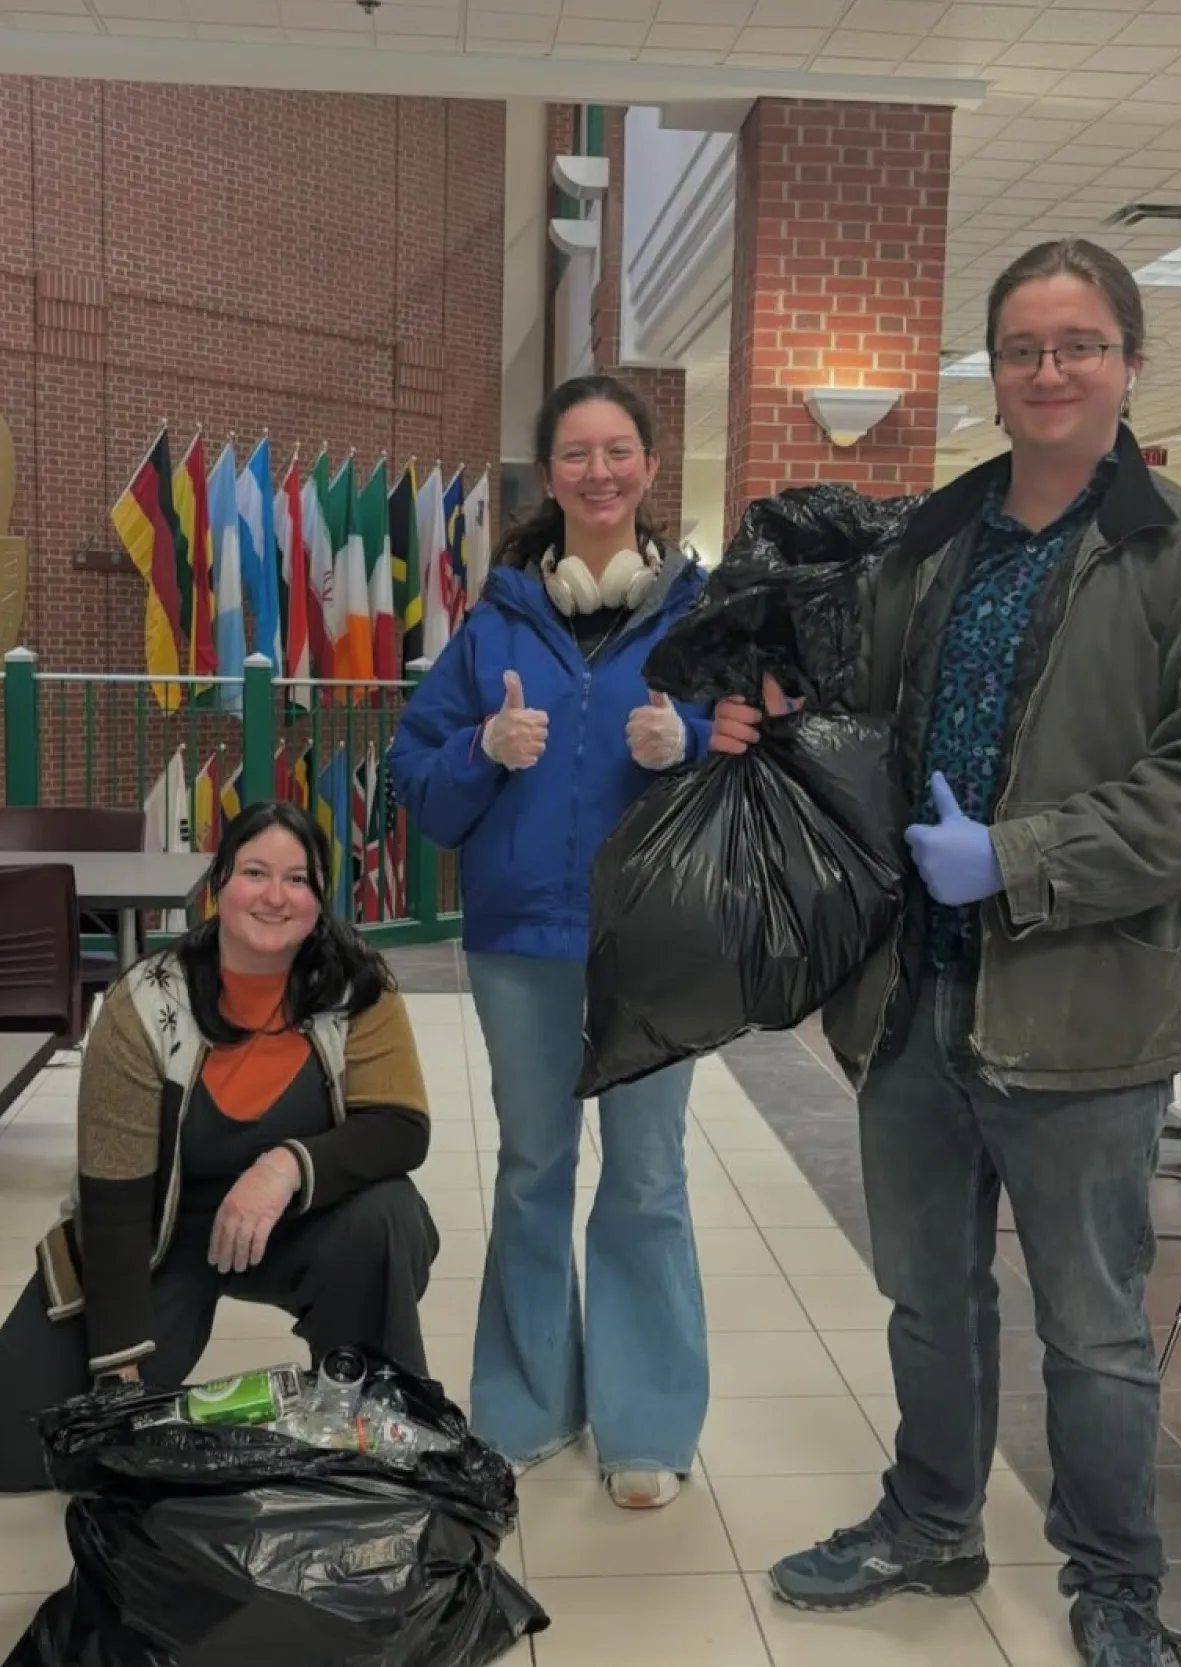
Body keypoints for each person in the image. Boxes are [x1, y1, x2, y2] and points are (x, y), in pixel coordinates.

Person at [711, 240, 1181, 1667]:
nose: (1047, 371)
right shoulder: (932, 541)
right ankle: (929, 1518)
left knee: (1090, 1328)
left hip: (1084, 1010)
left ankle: (1114, 1579)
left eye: (1077, 344)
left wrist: (1018, 858)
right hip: (915, 997)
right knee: (927, 1293)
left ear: (1128, 362)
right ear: (992, 368)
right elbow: (858, 706)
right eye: (1022, 347)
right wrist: (768, 712)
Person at [389, 374, 713, 1511]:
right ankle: (526, 1400)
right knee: (532, 1171)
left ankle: (647, 1419)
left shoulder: (700, 614)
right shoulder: (493, 624)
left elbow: (766, 758)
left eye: (617, 450)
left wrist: (694, 742)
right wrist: (484, 742)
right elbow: (418, 786)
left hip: (653, 941)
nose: (598, 471)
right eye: (575, 453)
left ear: (648, 466)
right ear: (548, 474)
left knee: (647, 1175)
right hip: (522, 942)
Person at [0, 799, 440, 1493]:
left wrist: (285, 1167)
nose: (275, 895)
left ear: (319, 896)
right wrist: (118, 1380)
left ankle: (371, 1399)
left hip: (300, 1222)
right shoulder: (146, 1002)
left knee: (386, 1213)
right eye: (254, 871)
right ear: (219, 883)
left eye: (298, 879)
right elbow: (113, 1199)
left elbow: (401, 1125)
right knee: (9, 1445)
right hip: (160, 1235)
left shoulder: (358, 986)